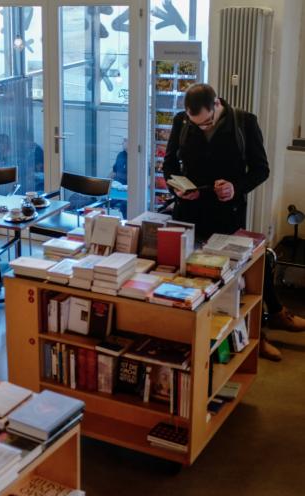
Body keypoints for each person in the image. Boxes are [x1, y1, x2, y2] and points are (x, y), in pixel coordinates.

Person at [163, 83, 304, 361]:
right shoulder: (182, 122)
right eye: (196, 124)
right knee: (193, 279)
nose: (202, 128)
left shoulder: (244, 122)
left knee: (238, 279)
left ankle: (255, 336)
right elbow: (169, 166)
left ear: (217, 104)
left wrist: (235, 188)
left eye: (206, 123)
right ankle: (205, 336)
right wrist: (176, 187)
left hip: (227, 214)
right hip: (189, 212)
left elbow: (261, 170)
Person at [109, 137, 128, 218]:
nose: (122, 142)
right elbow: (114, 172)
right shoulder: (120, 155)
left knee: (125, 205)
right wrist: (105, 182)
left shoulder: (136, 158)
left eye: (125, 140)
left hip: (127, 191)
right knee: (105, 201)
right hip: (116, 189)